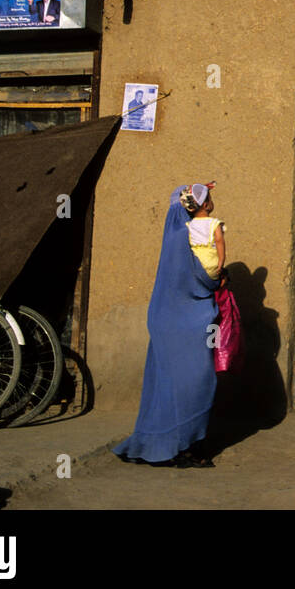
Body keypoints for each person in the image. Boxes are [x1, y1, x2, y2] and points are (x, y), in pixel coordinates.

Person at [113, 182, 225, 468]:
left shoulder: (174, 237)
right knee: (197, 382)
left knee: (167, 386)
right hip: (188, 324)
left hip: (166, 321)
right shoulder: (183, 239)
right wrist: (219, 280)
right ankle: (183, 448)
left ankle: (169, 444)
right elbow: (203, 279)